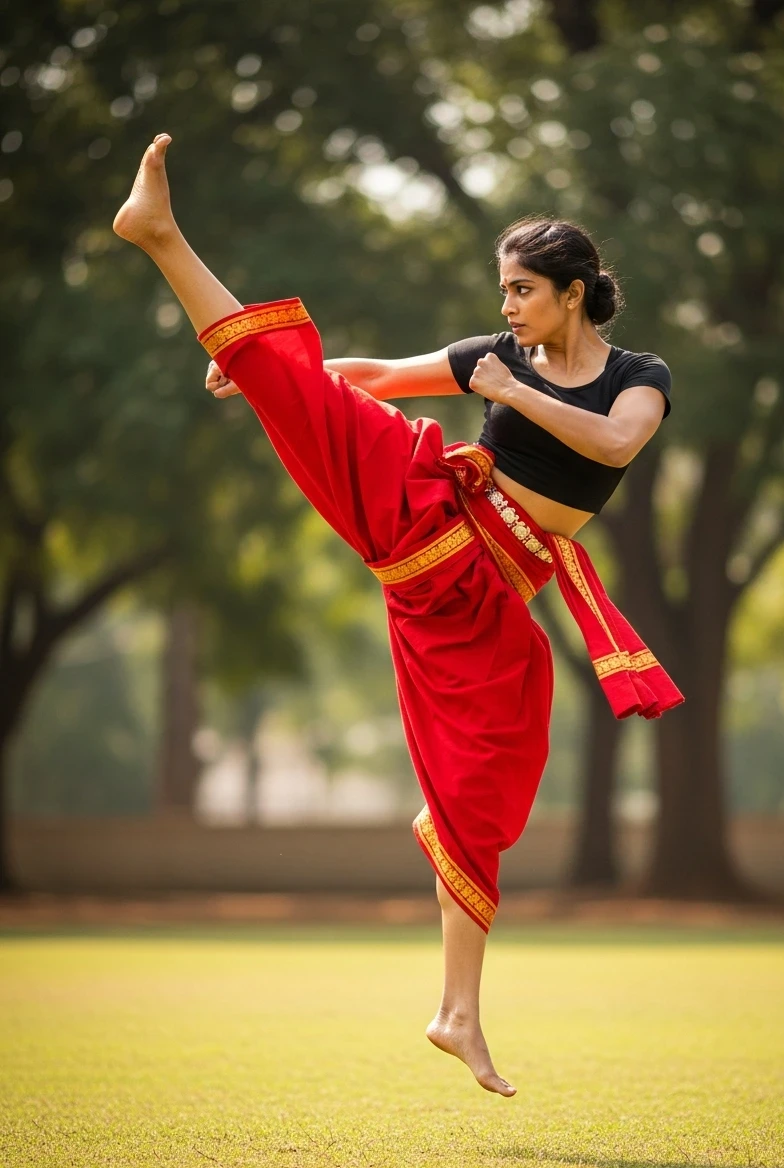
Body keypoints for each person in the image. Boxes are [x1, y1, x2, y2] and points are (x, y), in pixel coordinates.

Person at [114, 134, 683, 1100]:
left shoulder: (638, 375)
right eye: (502, 291)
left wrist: (505, 390)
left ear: (572, 292)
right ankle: (162, 237)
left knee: (484, 788)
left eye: (521, 291)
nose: (506, 308)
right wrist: (274, 372)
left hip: (481, 600)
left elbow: (618, 440)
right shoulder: (498, 356)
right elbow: (380, 377)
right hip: (427, 512)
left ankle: (457, 1013)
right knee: (299, 384)